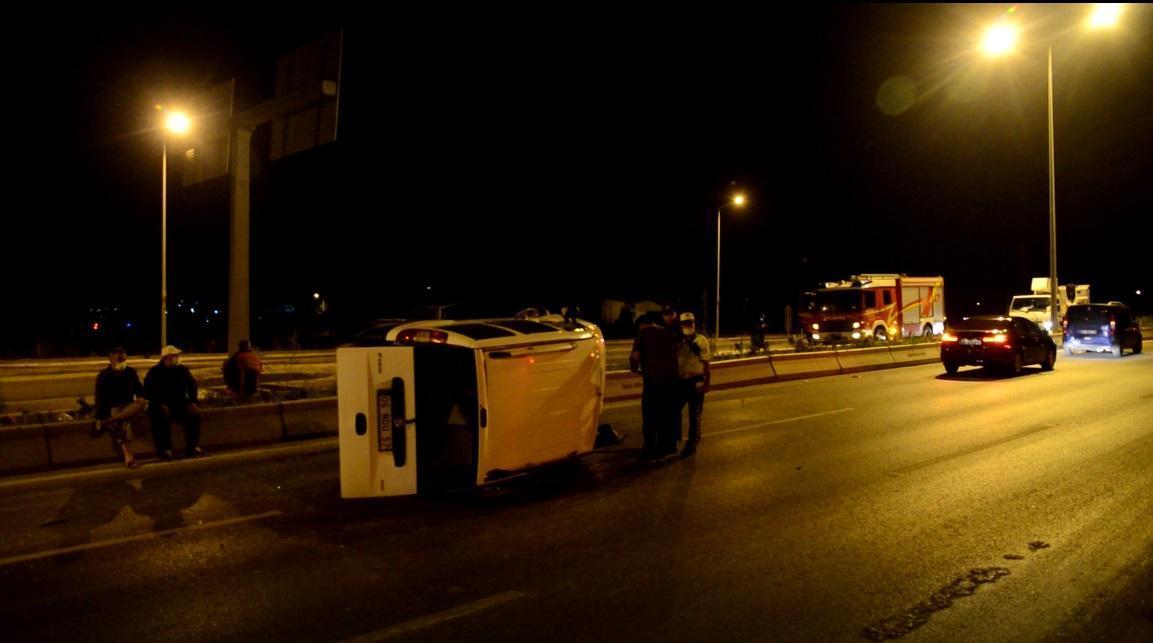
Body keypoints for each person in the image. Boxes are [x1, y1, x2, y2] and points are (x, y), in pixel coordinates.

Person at [629, 304, 682, 462]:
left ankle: (650, 449)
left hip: (652, 381)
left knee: (651, 416)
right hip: (670, 382)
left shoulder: (644, 331)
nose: (671, 317)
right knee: (667, 416)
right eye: (669, 314)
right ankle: (667, 447)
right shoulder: (674, 333)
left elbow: (635, 357)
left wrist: (635, 369)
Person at [144, 345, 204, 460]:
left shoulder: (182, 370)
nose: (177, 358)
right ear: (166, 358)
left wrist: (193, 401)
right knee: (160, 419)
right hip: (160, 404)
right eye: (174, 356)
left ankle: (192, 447)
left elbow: (192, 386)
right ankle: (165, 450)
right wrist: (159, 404)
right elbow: (148, 391)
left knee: (194, 416)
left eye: (177, 356)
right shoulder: (155, 372)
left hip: (179, 403)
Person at [93, 347, 146, 468]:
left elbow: (139, 388)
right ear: (111, 359)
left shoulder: (130, 372)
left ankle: (113, 420)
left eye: (124, 359)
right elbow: (100, 398)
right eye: (119, 360)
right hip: (114, 406)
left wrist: (140, 396)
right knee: (123, 424)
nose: (122, 362)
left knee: (142, 403)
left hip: (129, 405)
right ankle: (128, 456)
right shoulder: (103, 376)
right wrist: (100, 416)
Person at [675, 312, 711, 458]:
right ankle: (674, 438)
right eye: (685, 323)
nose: (688, 326)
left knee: (694, 414)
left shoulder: (701, 340)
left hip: (696, 381)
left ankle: (692, 443)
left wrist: (707, 383)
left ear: (694, 323)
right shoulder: (677, 341)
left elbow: (707, 364)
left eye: (690, 323)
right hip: (680, 381)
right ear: (681, 325)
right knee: (674, 409)